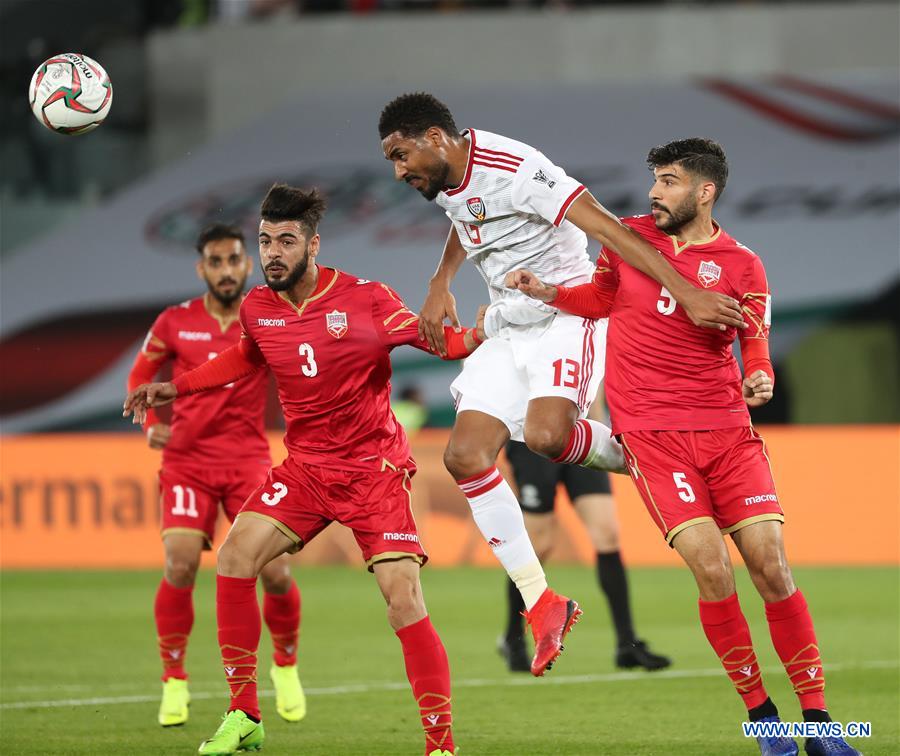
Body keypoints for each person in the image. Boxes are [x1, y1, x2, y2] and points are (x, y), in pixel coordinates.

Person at [507, 138, 861, 756]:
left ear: (705, 191)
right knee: (712, 568)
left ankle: (820, 721)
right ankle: (765, 719)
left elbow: (755, 339)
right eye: (654, 180)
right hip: (652, 436)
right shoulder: (629, 239)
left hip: (726, 432)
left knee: (772, 568)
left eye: (668, 181)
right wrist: (548, 292)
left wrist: (762, 375)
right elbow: (599, 298)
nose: (654, 192)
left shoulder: (743, 263)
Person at [379, 92, 746, 676]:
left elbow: (609, 230)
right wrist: (439, 279)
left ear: (433, 136)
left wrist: (686, 290)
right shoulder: (449, 177)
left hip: (565, 314)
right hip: (507, 320)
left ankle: (641, 456)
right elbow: (463, 215)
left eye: (401, 155)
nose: (398, 171)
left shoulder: (518, 168)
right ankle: (541, 602)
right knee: (465, 456)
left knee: (548, 436)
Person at [125, 184, 486, 756]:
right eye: (266, 241)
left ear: (313, 245)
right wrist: (178, 384)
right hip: (307, 471)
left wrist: (479, 333)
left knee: (403, 599)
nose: (273, 252)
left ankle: (441, 745)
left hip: (374, 470)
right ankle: (244, 713)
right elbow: (244, 358)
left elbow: (433, 338)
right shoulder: (258, 308)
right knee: (236, 557)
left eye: (286, 241)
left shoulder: (366, 298)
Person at [127, 222, 304, 728]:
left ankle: (286, 666)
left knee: (274, 571)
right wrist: (154, 424)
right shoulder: (175, 321)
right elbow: (142, 376)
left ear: (247, 264)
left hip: (248, 458)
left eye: (234, 260)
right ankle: (175, 681)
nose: (226, 270)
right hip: (187, 460)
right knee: (181, 564)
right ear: (201, 268)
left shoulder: (264, 315)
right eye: (216, 262)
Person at [498, 388, 670, 674]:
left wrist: (604, 434)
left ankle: (627, 644)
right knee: (539, 543)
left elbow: (596, 378)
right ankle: (513, 638)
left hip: (582, 434)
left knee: (607, 533)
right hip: (533, 437)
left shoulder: (590, 339)